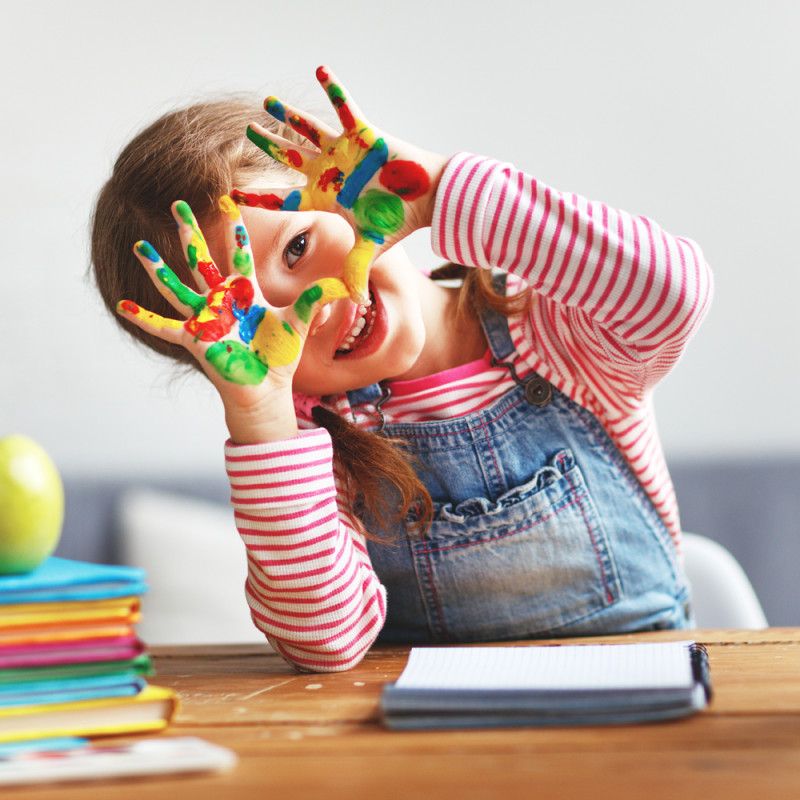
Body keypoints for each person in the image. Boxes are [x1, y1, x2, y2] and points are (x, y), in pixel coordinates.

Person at [91, 66, 713, 673]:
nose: (313, 307)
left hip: (646, 691)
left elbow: (672, 294)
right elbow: (326, 643)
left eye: (297, 247)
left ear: (349, 189)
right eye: (249, 321)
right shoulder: (312, 442)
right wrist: (262, 417)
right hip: (435, 730)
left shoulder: (554, 329)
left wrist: (437, 189)